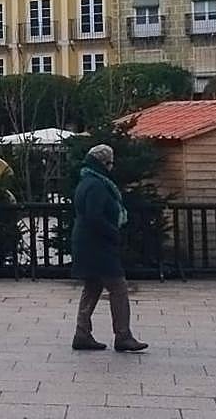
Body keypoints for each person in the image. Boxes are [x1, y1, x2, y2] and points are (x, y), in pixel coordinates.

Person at [71, 143, 148, 353]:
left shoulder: (85, 181)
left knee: (92, 287)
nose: (112, 166)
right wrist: (114, 233)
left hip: (86, 243)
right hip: (98, 246)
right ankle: (123, 335)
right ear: (104, 163)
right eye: (111, 162)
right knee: (118, 288)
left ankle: (82, 333)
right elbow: (94, 216)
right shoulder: (97, 185)